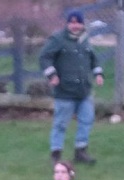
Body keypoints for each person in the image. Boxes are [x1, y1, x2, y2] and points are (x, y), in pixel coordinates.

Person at [39, 10, 104, 164]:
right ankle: (56, 155)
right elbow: (44, 57)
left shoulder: (85, 40)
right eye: (72, 22)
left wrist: (98, 74)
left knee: (87, 120)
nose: (75, 26)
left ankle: (81, 152)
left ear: (82, 24)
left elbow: (93, 59)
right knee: (60, 124)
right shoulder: (58, 39)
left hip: (84, 91)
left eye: (78, 22)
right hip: (64, 91)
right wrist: (52, 75)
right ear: (68, 23)